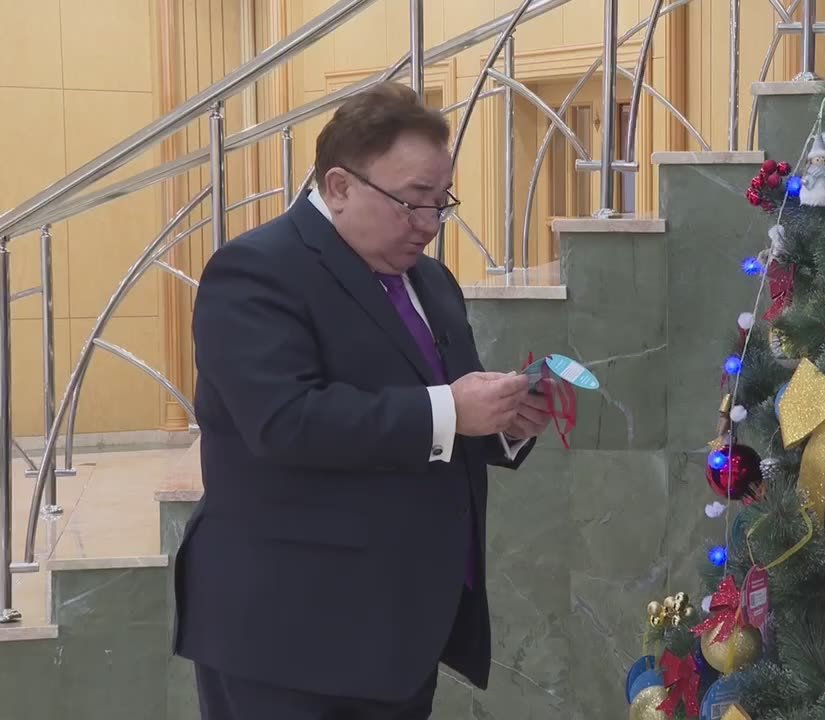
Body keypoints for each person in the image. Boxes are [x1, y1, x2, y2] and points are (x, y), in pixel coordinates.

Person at [173, 81, 555, 720]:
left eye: (441, 201)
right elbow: (285, 421)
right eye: (412, 200)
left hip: (400, 628)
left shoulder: (431, 281)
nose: (429, 224)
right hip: (286, 635)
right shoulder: (256, 270)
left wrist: (506, 421)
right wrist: (450, 411)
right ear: (340, 186)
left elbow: (444, 409)